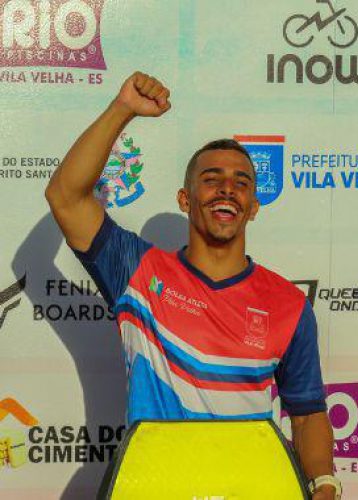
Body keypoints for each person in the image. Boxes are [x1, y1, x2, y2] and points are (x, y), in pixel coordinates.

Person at [44, 72, 340, 499]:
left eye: (242, 182)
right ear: (185, 199)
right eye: (211, 179)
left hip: (249, 488)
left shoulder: (289, 304)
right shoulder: (137, 271)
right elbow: (66, 197)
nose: (227, 189)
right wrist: (123, 108)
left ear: (253, 207)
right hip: (154, 487)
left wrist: (324, 484)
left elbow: (308, 413)